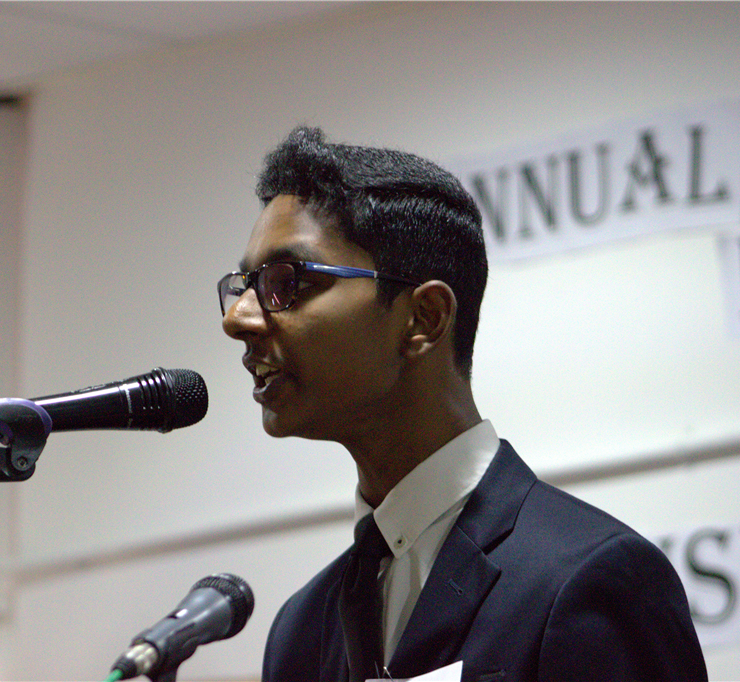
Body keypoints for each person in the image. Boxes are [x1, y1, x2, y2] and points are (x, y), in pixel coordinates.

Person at [218, 127, 707, 681]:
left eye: (285, 282)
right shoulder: (301, 632)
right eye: (243, 285)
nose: (238, 318)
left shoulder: (587, 578)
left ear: (423, 318)